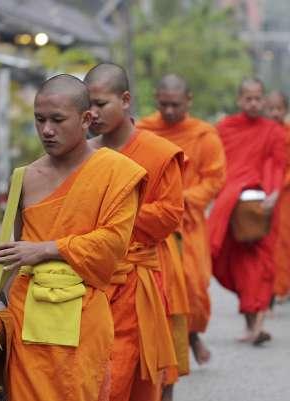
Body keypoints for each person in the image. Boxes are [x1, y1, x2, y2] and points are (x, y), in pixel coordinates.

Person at [0, 74, 147, 401]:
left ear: (86, 119)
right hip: (27, 315)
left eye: (57, 120)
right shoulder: (24, 177)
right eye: (39, 119)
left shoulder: (116, 172)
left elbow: (112, 244)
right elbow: (12, 255)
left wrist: (46, 249)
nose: (46, 130)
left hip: (83, 314)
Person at [84, 63, 186, 401]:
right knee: (88, 369)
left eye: (100, 104)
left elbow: (170, 214)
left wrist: (115, 219)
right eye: (88, 105)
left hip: (134, 279)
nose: (92, 113)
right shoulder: (82, 154)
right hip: (89, 278)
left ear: (125, 99)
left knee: (119, 369)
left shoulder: (158, 152)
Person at [137, 74, 226, 365]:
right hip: (154, 223)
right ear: (155, 100)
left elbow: (214, 179)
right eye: (164, 105)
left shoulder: (203, 135)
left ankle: (193, 334)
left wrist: (182, 197)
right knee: (161, 286)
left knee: (194, 285)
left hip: (189, 222)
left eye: (175, 105)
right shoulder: (143, 131)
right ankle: (168, 347)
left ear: (188, 101)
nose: (170, 111)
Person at [209, 78, 286, 345]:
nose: (254, 103)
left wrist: (275, 192)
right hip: (234, 207)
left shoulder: (273, 131)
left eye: (258, 98)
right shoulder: (226, 129)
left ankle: (258, 326)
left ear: (263, 100)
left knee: (263, 266)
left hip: (264, 207)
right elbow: (216, 164)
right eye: (248, 98)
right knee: (239, 267)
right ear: (240, 100)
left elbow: (278, 165)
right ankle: (251, 324)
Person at [264, 91, 290, 303]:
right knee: (268, 241)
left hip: (286, 195)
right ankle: (271, 288)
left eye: (279, 109)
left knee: (285, 240)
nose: (275, 113)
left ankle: (282, 286)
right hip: (264, 191)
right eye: (271, 109)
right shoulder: (261, 133)